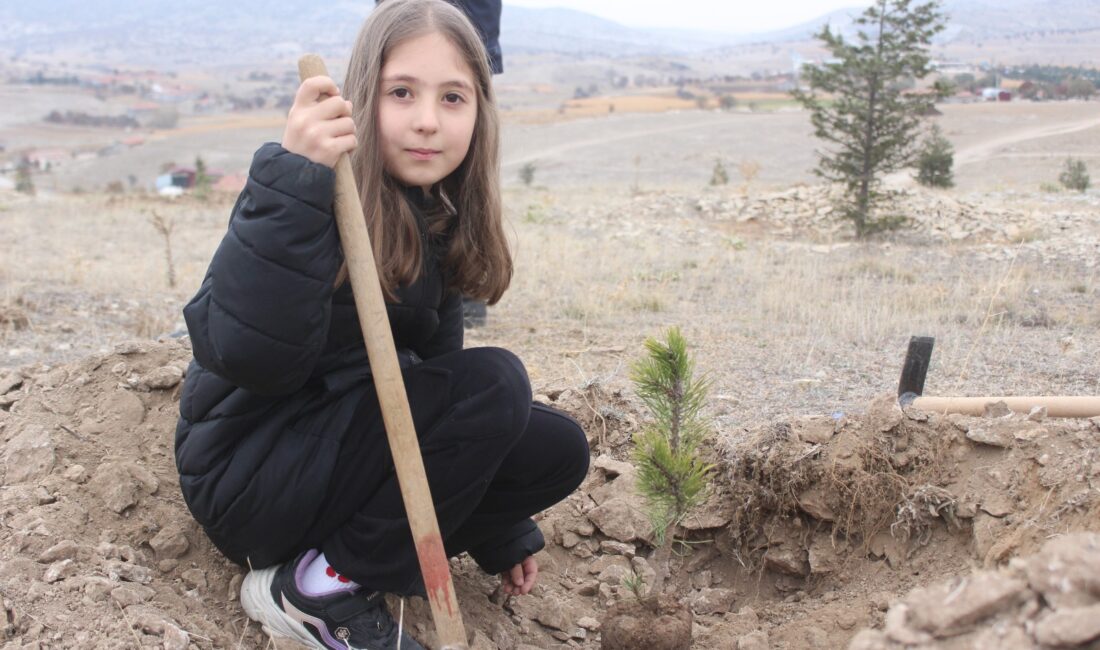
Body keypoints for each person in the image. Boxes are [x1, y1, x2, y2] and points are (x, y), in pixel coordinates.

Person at [173, 1, 590, 649]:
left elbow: (440, 387)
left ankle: (339, 559)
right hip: (255, 476)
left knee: (553, 448)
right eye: (402, 93)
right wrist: (294, 181)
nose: (427, 121)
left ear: (481, 113)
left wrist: (499, 527)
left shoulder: (436, 217)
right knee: (497, 382)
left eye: (453, 98)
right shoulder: (306, 192)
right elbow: (246, 356)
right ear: (362, 98)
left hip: (345, 457)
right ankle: (315, 589)